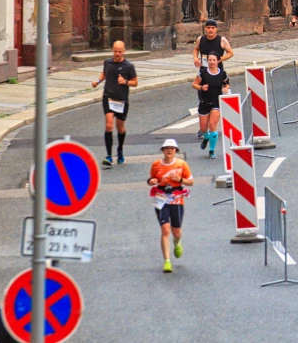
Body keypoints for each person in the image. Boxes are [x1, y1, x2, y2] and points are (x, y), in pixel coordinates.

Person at [148, 139, 194, 273]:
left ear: (176, 151)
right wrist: (152, 181)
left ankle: (177, 241)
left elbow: (191, 182)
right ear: (162, 150)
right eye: (166, 148)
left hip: (177, 199)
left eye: (172, 148)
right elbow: (151, 179)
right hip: (161, 197)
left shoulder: (181, 164)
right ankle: (167, 261)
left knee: (176, 230)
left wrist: (179, 180)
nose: (169, 150)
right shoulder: (156, 164)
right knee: (165, 229)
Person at [92, 41, 138, 167]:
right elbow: (104, 74)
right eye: (115, 51)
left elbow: (135, 82)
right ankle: (108, 155)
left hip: (122, 100)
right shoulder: (107, 62)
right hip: (108, 97)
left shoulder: (129, 66)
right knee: (108, 125)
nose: (117, 54)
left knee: (120, 128)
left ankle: (120, 150)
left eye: (119, 51)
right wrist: (97, 81)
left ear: (124, 51)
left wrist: (125, 81)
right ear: (112, 50)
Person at [192, 19, 234, 138]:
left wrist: (220, 59)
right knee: (203, 96)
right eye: (208, 27)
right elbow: (196, 49)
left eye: (213, 28)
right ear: (205, 29)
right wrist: (195, 58)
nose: (210, 30)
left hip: (217, 73)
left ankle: (213, 123)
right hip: (204, 72)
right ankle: (203, 127)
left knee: (217, 96)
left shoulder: (221, 40)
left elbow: (230, 52)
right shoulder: (201, 39)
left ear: (216, 29)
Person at [192, 52, 230, 159]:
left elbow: (226, 83)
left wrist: (226, 88)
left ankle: (212, 150)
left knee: (213, 125)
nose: (212, 62)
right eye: (210, 60)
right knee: (203, 128)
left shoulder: (222, 73)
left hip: (216, 102)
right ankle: (206, 137)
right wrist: (201, 88)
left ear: (218, 61)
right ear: (207, 61)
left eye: (214, 60)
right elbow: (194, 84)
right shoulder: (203, 73)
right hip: (204, 102)